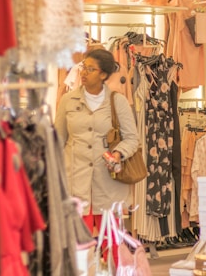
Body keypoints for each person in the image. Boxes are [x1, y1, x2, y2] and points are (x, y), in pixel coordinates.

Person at [55, 48, 140, 261]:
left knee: (112, 246)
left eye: (90, 69)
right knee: (77, 247)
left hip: (108, 183)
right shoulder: (68, 100)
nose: (83, 73)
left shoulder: (117, 101)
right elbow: (58, 140)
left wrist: (118, 153)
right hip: (75, 181)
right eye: (83, 67)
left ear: (103, 74)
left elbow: (132, 139)